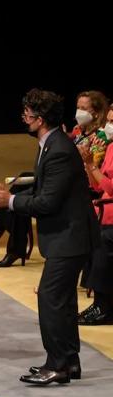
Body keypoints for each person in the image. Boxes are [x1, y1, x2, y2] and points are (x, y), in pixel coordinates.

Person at [0, 89, 99, 385]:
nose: (24, 118)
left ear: (40, 119)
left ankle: (57, 364)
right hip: (69, 235)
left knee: (50, 298)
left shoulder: (57, 149)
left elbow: (47, 203)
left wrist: (10, 201)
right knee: (63, 300)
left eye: (27, 113)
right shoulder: (50, 143)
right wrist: (10, 198)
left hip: (70, 237)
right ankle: (69, 362)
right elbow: (45, 192)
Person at [79, 106, 113, 325]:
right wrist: (90, 165)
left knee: (103, 240)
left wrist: (92, 166)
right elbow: (98, 186)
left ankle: (103, 306)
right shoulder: (111, 148)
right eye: (109, 120)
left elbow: (111, 188)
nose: (109, 126)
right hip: (105, 208)